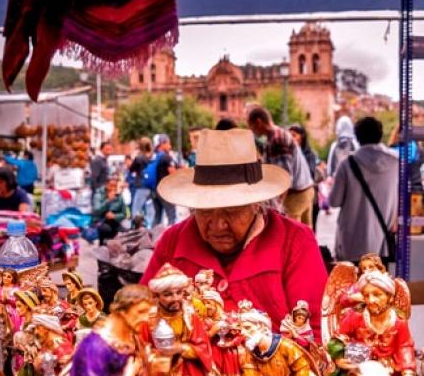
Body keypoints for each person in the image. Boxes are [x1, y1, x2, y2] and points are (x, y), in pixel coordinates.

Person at [140, 128, 327, 340]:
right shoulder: (173, 242)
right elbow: (140, 316)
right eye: (206, 210)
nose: (219, 225)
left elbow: (316, 333)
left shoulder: (295, 241)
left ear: (257, 204)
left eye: (232, 211)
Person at [329, 116, 398, 263]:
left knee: (351, 285)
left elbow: (334, 201)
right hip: (381, 244)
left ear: (357, 137)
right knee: (377, 285)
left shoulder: (347, 164)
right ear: (380, 135)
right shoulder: (396, 163)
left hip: (351, 243)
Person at [247, 107, 314, 227]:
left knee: (293, 237)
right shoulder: (275, 137)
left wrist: (276, 208)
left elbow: (285, 178)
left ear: (258, 122)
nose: (252, 131)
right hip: (305, 190)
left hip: (295, 196)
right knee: (307, 235)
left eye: (251, 126)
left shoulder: (278, 140)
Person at [289, 123, 324, 231]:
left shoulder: (310, 155)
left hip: (309, 199)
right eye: (289, 135)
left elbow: (310, 174)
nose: (291, 138)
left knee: (309, 232)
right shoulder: (288, 154)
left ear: (302, 137)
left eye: (294, 135)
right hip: (292, 200)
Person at [152, 134, 178, 227]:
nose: (170, 146)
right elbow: (173, 173)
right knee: (171, 216)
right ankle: (172, 239)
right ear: (162, 144)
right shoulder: (166, 157)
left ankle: (151, 239)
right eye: (168, 143)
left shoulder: (154, 156)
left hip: (154, 190)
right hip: (165, 191)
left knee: (157, 217)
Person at [93, 178, 126, 244]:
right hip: (101, 221)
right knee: (106, 229)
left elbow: (124, 214)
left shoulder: (119, 196)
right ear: (106, 185)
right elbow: (96, 211)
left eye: (115, 186)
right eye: (111, 186)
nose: (113, 188)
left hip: (114, 221)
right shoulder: (98, 195)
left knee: (124, 232)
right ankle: (102, 244)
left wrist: (114, 216)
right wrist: (108, 201)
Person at [129, 137, 153, 221]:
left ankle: (136, 230)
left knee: (136, 210)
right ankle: (150, 229)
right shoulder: (153, 157)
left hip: (141, 186)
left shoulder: (139, 158)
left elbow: (131, 169)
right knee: (150, 210)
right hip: (151, 186)